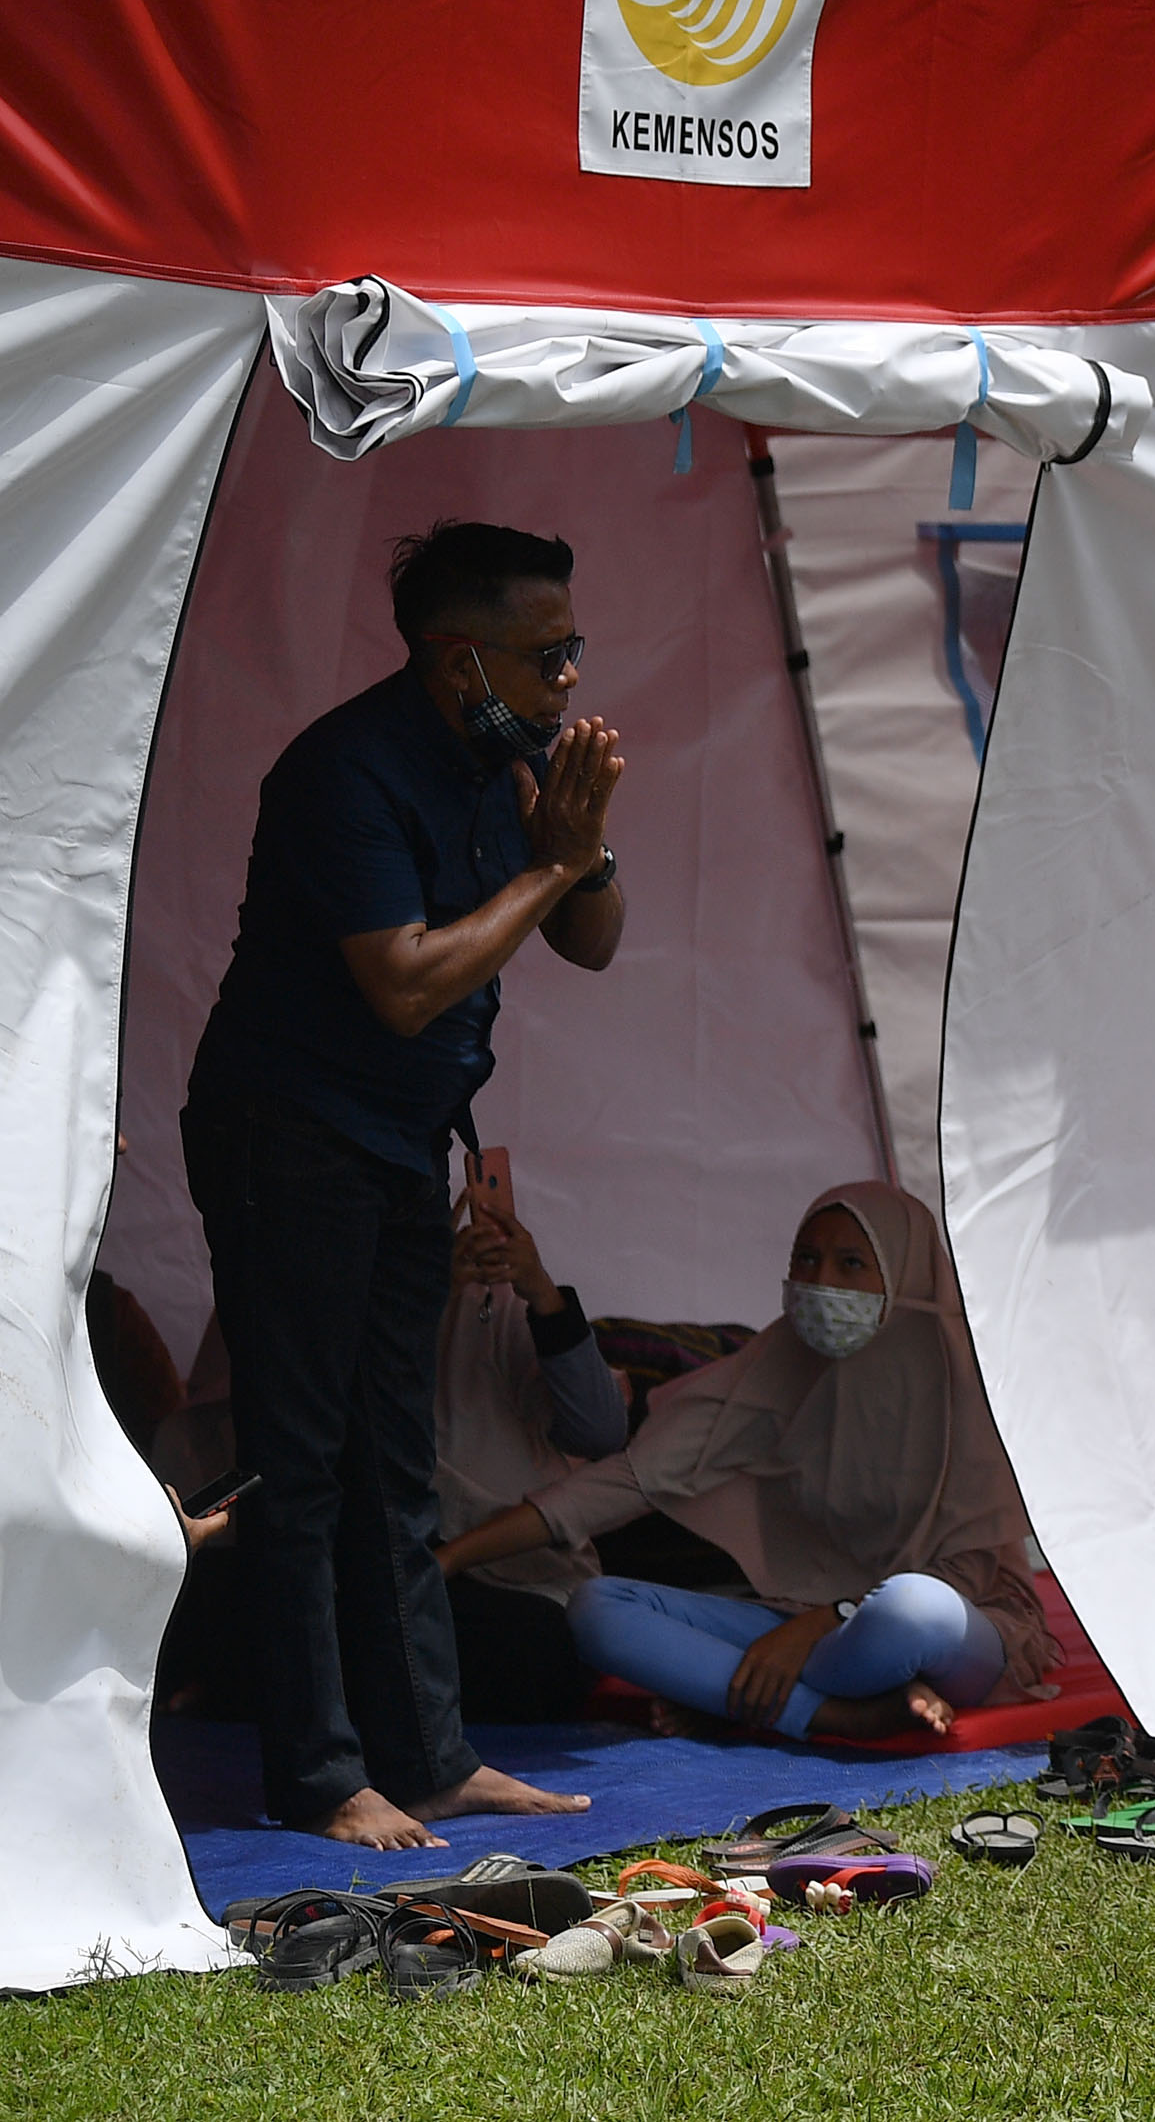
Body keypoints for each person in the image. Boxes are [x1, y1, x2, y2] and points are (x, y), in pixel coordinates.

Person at [183, 519, 627, 1848]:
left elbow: (594, 943)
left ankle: (430, 1757)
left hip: (393, 1140)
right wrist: (549, 863)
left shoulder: (510, 761)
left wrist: (584, 846)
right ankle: (321, 1773)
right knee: (302, 1460)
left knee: (394, 1459)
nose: (566, 677)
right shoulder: (346, 770)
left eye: (572, 648)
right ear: (457, 657)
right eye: (545, 654)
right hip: (289, 1134)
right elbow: (406, 983)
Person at [437, 1183, 1052, 1739]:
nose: (820, 1281)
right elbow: (627, 1481)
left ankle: (731, 1697)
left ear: (905, 1273)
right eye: (805, 1259)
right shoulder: (781, 1365)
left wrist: (820, 1623)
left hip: (949, 1627)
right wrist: (449, 1558)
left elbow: (964, 1577)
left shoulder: (967, 1385)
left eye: (851, 1264)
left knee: (911, 1610)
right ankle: (837, 1713)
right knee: (595, 1610)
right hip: (801, 1623)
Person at [432, 1164, 634, 1722]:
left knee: (537, 1645)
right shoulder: (331, 1293)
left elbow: (599, 1432)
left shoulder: (494, 1303)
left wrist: (541, 1292)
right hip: (384, 1568)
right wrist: (423, 1297)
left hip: (508, 1578)